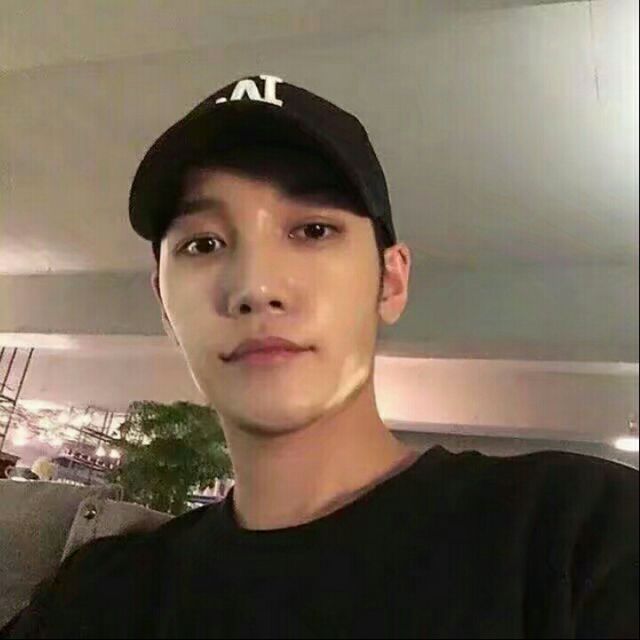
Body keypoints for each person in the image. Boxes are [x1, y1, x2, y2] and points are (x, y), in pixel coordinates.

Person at [2, 74, 637, 639]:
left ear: (391, 280)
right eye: (204, 244)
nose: (256, 287)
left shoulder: (577, 533)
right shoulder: (100, 596)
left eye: (313, 230)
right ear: (164, 305)